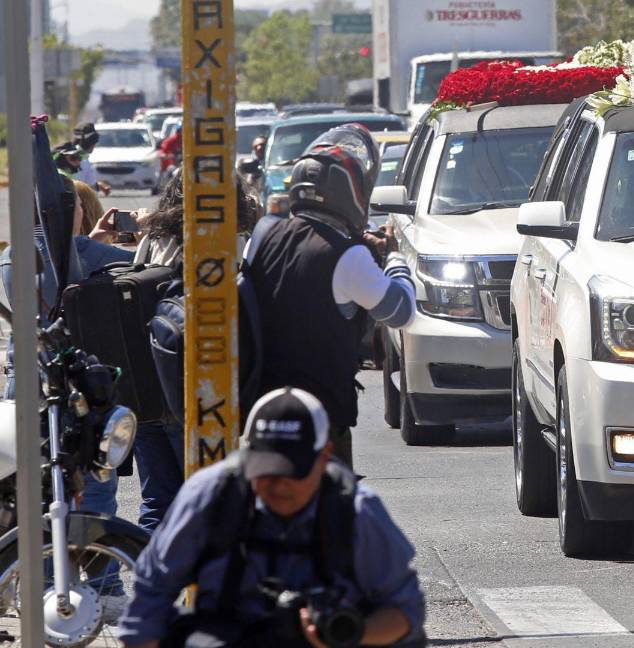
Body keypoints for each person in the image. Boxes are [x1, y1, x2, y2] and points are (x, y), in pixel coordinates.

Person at [116, 387, 426, 648]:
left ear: (324, 456)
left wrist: (349, 632)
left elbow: (405, 612)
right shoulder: (209, 496)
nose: (278, 484)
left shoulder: (356, 511)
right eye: (265, 470)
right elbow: (151, 595)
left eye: (292, 472)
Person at [246, 124, 417, 469]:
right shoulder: (347, 255)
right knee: (332, 515)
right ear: (349, 192)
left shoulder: (263, 236)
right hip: (322, 415)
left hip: (264, 408)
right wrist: (395, 258)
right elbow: (400, 311)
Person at [125, 171, 260, 532]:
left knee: (157, 502)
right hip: (203, 387)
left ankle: (154, 584)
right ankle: (205, 585)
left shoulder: (155, 237)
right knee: (211, 501)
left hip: (149, 383)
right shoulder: (236, 239)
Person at [73, 122, 112, 195]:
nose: (95, 145)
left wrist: (99, 186)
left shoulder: (83, 157)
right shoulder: (76, 159)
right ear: (90, 142)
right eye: (94, 142)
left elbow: (87, 183)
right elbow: (77, 185)